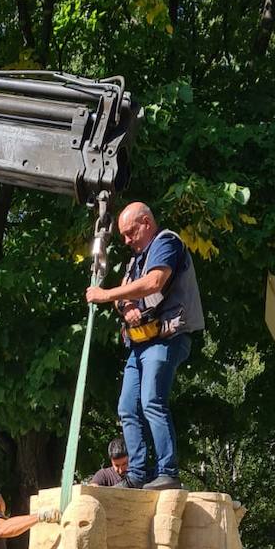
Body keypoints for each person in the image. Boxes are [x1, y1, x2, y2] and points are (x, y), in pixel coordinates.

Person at [86, 201, 204, 491]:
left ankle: (168, 472)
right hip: (139, 344)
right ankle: (137, 474)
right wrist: (124, 307)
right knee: (127, 407)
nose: (126, 240)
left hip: (166, 339)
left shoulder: (166, 243)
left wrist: (105, 294)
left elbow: (154, 282)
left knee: (152, 400)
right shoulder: (135, 259)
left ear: (146, 223)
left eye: (130, 233)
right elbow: (123, 294)